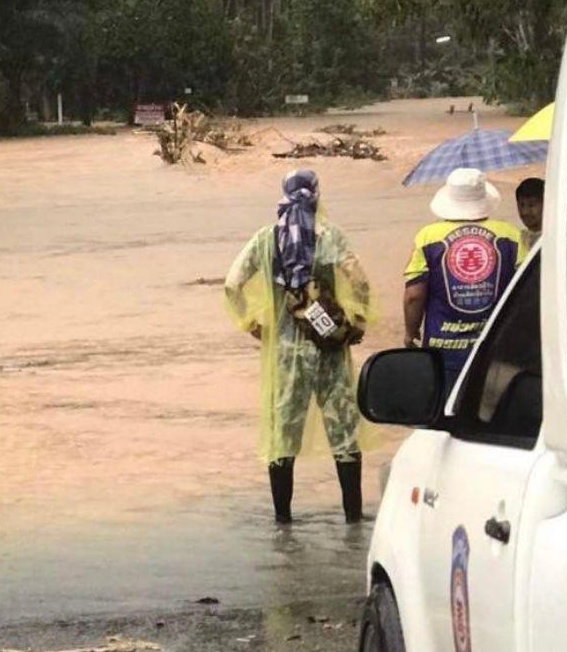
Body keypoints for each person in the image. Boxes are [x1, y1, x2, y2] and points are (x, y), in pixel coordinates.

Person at [225, 169, 374, 525]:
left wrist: (254, 326)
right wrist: (356, 323)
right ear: (316, 196)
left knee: (283, 435)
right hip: (329, 351)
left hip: (285, 355)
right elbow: (361, 282)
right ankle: (353, 519)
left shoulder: (265, 240)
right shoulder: (329, 236)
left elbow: (232, 285)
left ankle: (283, 523)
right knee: (344, 432)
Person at [403, 168, 526, 389]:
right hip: (496, 349)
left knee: (446, 417)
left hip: (442, 351)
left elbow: (414, 295)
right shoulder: (511, 235)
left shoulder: (427, 237)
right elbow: (526, 292)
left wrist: (411, 332)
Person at [516, 177, 545, 254]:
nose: (525, 212)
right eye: (521, 205)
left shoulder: (558, 240)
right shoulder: (516, 240)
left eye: (531, 205)